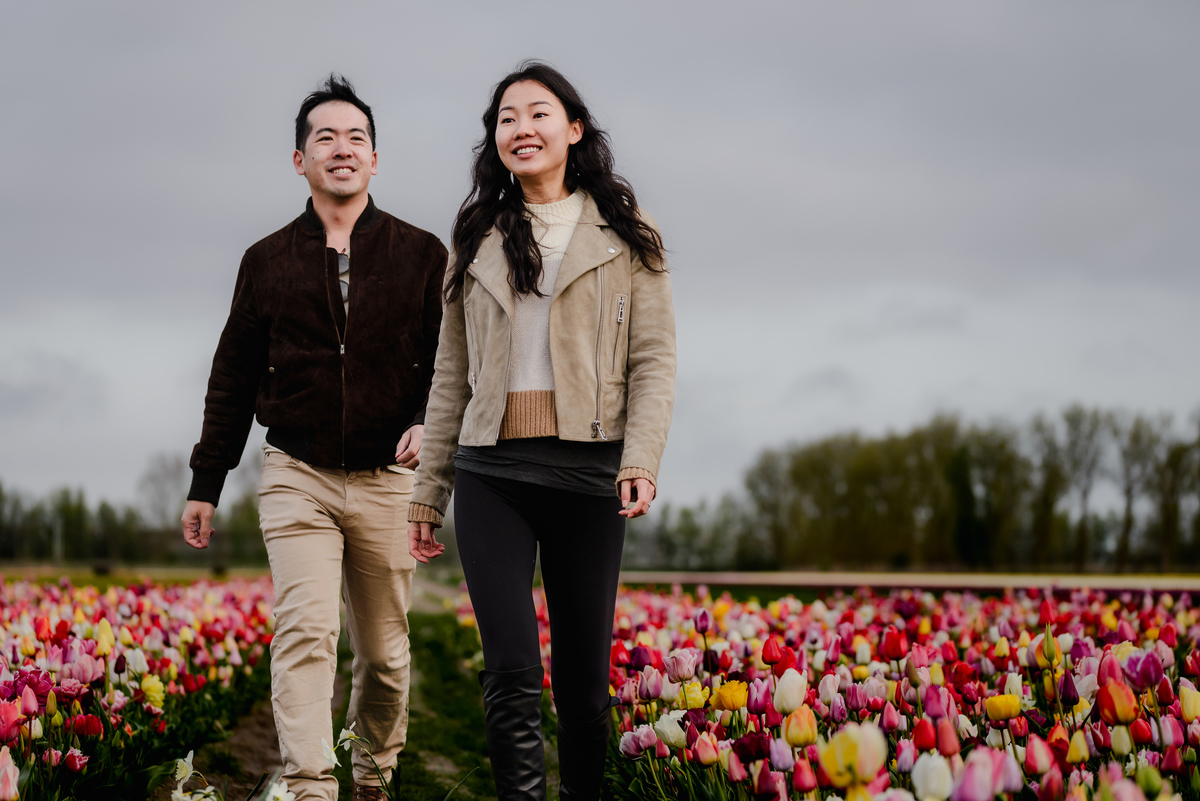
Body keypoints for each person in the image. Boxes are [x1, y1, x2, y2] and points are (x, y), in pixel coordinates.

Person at [407, 61, 676, 800]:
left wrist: (641, 458)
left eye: (537, 114)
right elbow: (450, 374)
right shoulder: (475, 236)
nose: (520, 129)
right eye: (506, 118)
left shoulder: (628, 233)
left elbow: (654, 358)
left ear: (574, 129)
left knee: (584, 682)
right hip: (492, 472)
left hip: (590, 475)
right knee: (510, 668)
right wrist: (429, 491)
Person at [180, 74, 447, 801]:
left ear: (375, 159)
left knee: (384, 655)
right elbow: (232, 375)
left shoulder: (423, 254)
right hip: (297, 475)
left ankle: (372, 776)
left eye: (356, 137)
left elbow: (454, 361)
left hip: (390, 481)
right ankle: (309, 785)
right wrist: (206, 481)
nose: (342, 148)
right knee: (305, 631)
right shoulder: (266, 260)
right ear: (300, 160)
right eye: (325, 137)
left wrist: (430, 422)